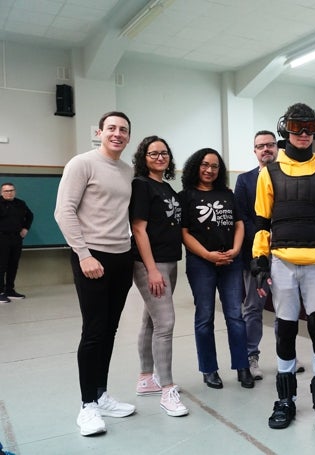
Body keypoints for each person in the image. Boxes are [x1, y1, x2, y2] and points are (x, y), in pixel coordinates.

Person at [251, 102, 315, 430]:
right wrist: (260, 260)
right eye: (297, 127)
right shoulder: (269, 173)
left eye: (309, 127)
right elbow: (262, 222)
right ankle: (286, 399)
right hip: (282, 263)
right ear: (286, 129)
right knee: (286, 330)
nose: (304, 134)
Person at [54, 111, 136, 437]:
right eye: (112, 128)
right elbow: (64, 211)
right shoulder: (82, 163)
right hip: (92, 258)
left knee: (110, 330)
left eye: (123, 130)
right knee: (94, 331)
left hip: (121, 257)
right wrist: (83, 254)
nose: (117, 133)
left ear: (128, 136)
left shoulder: (128, 171)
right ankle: (87, 405)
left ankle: (101, 395)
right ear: (100, 132)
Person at [179, 148, 254, 390]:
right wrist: (208, 255)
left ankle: (243, 367)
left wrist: (235, 250)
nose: (209, 170)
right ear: (195, 166)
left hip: (231, 262)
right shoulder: (185, 197)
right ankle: (209, 369)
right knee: (204, 317)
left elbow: (240, 224)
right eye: (204, 164)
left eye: (214, 166)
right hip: (201, 263)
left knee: (236, 315)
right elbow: (185, 233)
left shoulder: (227, 194)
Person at [129, 136, 188, 417]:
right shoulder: (141, 185)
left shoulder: (167, 188)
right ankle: (167, 389)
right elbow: (138, 229)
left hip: (170, 260)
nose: (160, 157)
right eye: (153, 153)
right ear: (144, 157)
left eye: (164, 153)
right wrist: (151, 269)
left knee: (151, 319)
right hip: (150, 264)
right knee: (165, 322)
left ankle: (145, 379)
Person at [234, 130, 279, 380]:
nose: (266, 150)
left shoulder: (287, 176)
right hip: (255, 253)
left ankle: (287, 357)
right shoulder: (244, 181)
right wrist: (265, 236)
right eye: (260, 146)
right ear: (255, 151)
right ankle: (251, 357)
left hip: (286, 252)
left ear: (277, 148)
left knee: (287, 307)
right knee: (253, 307)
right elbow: (242, 217)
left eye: (270, 145)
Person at [0, 182, 33, 303]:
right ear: (1, 192)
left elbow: (30, 216)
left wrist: (25, 228)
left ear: (15, 191)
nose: (9, 193)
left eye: (11, 190)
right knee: (1, 265)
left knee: (13, 265)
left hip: (16, 239)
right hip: (2, 238)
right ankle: (0, 292)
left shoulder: (20, 203)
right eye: (6, 191)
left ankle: (9, 290)